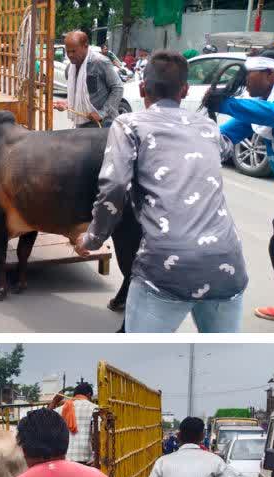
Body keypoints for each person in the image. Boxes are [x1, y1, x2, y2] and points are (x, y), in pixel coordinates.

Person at [75, 50, 247, 333]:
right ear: (185, 89)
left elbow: (114, 186)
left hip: (166, 267)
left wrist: (92, 240)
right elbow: (227, 146)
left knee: (140, 352)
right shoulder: (208, 128)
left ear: (142, 88)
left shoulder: (129, 124)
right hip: (226, 262)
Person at [207, 49, 274, 324]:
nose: (245, 79)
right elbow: (226, 136)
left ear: (270, 74)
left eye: (250, 73)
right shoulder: (260, 103)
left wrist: (228, 103)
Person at [53, 29, 123, 128]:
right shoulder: (69, 69)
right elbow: (77, 95)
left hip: (104, 124)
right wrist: (66, 103)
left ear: (85, 46)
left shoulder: (100, 62)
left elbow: (118, 88)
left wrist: (102, 113)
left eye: (73, 51)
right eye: (68, 52)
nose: (70, 55)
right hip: (81, 125)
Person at [49, 381, 98, 464]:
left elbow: (44, 418)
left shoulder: (63, 408)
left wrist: (54, 401)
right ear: (89, 395)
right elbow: (99, 434)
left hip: (64, 459)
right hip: (85, 460)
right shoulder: (95, 409)